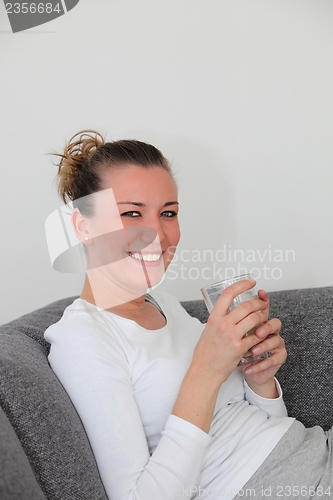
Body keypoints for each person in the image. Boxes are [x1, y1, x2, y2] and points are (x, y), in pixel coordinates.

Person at [44, 130, 332, 500]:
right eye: (132, 213)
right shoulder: (83, 337)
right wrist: (207, 370)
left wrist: (260, 380)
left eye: (168, 213)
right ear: (83, 226)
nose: (157, 235)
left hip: (314, 455)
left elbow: (263, 434)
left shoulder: (165, 304)